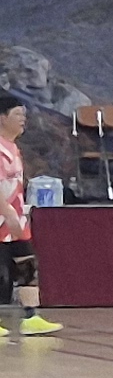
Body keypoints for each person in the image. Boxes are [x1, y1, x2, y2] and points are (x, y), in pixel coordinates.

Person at [0, 90, 47, 337]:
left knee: (26, 265)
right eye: (17, 114)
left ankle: (31, 317)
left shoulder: (14, 148)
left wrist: (18, 214)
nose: (22, 119)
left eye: (24, 115)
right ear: (2, 117)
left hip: (16, 220)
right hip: (3, 219)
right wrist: (7, 212)